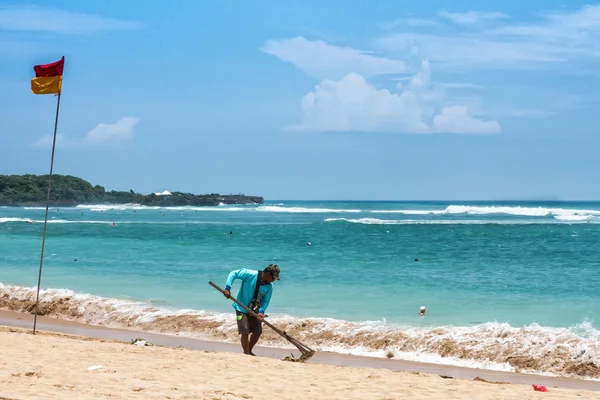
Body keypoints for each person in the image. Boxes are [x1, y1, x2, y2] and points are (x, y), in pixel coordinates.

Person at [222, 264, 280, 356]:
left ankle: (249, 350)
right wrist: (227, 288)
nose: (273, 281)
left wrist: (261, 311)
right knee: (245, 331)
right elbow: (233, 274)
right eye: (273, 278)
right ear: (268, 274)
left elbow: (266, 300)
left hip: (255, 310)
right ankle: (246, 352)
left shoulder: (269, 286)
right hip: (241, 307)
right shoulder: (250, 274)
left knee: (257, 332)